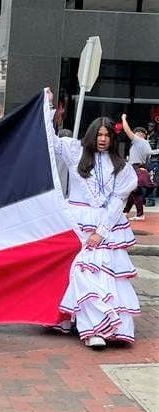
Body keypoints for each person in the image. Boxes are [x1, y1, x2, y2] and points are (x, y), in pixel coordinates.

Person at [50, 109, 140, 349]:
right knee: (80, 272)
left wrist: (102, 230)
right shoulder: (74, 151)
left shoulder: (120, 166)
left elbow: (118, 201)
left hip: (107, 226)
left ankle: (112, 326)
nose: (102, 139)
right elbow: (49, 141)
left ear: (113, 139)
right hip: (76, 221)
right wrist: (46, 111)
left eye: (107, 135)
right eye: (99, 134)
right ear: (91, 135)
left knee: (105, 273)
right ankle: (90, 329)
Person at [122, 114, 159, 221]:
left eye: (136, 133)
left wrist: (123, 118)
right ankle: (125, 212)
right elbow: (149, 156)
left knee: (135, 191)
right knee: (133, 191)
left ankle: (139, 214)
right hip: (139, 167)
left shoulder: (138, 141)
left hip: (135, 168)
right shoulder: (146, 144)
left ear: (140, 134)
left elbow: (126, 129)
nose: (134, 134)